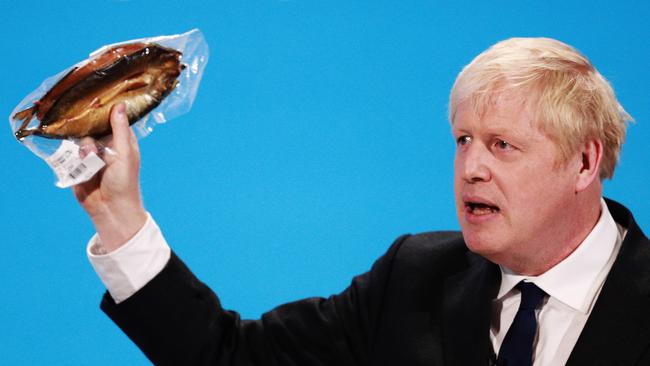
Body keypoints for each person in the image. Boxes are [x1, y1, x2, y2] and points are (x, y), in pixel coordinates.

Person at [74, 37, 648, 366]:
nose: (471, 167)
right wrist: (118, 216)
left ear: (584, 162)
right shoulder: (415, 275)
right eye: (463, 141)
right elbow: (232, 359)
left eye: (502, 145)